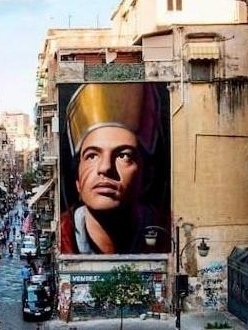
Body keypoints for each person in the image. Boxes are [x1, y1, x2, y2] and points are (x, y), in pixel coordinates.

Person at [60, 83, 169, 255]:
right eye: (92, 155)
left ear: (147, 176)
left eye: (124, 155)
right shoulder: (60, 237)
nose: (105, 168)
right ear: (77, 181)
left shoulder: (167, 236)